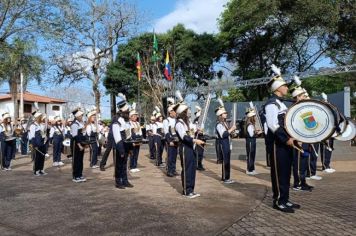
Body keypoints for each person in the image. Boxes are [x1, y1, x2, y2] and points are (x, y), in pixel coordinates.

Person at [264, 65, 300, 213]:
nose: (287, 88)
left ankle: (285, 199)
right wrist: (286, 139)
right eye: (285, 85)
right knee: (279, 173)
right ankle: (278, 201)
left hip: (286, 142)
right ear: (278, 88)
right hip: (278, 144)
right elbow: (273, 125)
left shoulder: (281, 104)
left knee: (286, 172)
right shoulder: (271, 104)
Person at [175, 101, 205, 198]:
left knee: (192, 169)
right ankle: (186, 191)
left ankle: (191, 189)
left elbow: (192, 130)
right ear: (183, 112)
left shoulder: (187, 122)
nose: (189, 112)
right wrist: (195, 140)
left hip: (191, 147)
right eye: (187, 110)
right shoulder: (179, 124)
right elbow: (184, 137)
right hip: (185, 148)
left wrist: (197, 130)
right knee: (187, 169)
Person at [290, 86, 313, 191]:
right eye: (303, 96)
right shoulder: (293, 109)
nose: (305, 97)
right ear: (298, 97)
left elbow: (311, 124)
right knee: (299, 163)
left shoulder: (303, 108)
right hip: (298, 140)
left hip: (305, 139)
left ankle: (303, 181)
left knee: (303, 162)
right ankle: (297, 183)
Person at [113, 97, 133, 189]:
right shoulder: (116, 120)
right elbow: (117, 137)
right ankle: (118, 181)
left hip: (126, 145)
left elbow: (129, 135)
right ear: (122, 111)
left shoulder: (126, 120)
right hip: (120, 146)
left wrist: (130, 148)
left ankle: (125, 180)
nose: (128, 112)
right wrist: (121, 150)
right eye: (127, 111)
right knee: (119, 164)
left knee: (125, 164)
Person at [215, 100, 236, 184]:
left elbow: (228, 133)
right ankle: (225, 178)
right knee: (225, 161)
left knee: (227, 161)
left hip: (227, 143)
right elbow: (223, 134)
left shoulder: (225, 123)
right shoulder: (219, 124)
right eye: (224, 113)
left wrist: (232, 133)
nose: (226, 114)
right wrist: (231, 129)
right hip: (223, 144)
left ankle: (227, 177)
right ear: (220, 115)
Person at [71, 108, 87, 183]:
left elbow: (83, 134)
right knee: (76, 160)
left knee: (80, 160)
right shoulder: (74, 124)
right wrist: (79, 145)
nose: (82, 117)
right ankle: (75, 176)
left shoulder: (81, 123)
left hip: (81, 143)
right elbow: (75, 136)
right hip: (76, 144)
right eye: (81, 116)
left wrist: (85, 143)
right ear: (77, 116)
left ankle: (80, 174)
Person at [29, 111, 47, 176]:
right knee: (37, 157)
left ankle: (41, 169)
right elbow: (32, 136)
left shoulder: (41, 125)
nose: (42, 118)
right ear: (38, 118)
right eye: (41, 117)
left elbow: (43, 134)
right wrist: (35, 145)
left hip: (42, 143)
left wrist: (45, 138)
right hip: (37, 144)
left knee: (42, 156)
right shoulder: (33, 126)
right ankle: (36, 170)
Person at [164, 103, 179, 177]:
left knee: (174, 156)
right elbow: (166, 132)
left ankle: (173, 169)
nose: (175, 113)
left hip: (176, 140)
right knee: (170, 156)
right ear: (170, 112)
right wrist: (169, 141)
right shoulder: (166, 120)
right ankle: (169, 171)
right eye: (174, 111)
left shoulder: (176, 120)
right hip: (170, 141)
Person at [245, 108, 261, 175]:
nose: (255, 117)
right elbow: (251, 135)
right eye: (254, 116)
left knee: (252, 155)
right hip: (250, 141)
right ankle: (249, 169)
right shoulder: (250, 124)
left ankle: (252, 169)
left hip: (252, 141)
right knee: (250, 155)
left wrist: (256, 132)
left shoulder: (251, 124)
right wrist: (257, 133)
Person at [129, 104, 143, 173]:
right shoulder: (129, 123)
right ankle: (131, 166)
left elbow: (140, 131)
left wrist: (141, 139)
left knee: (137, 153)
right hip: (132, 140)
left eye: (136, 116)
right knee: (132, 153)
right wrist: (132, 141)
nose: (135, 117)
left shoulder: (137, 123)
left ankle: (135, 166)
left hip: (138, 139)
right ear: (130, 117)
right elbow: (130, 133)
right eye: (134, 116)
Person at [193, 106, 206, 171]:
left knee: (201, 152)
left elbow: (202, 130)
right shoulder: (195, 122)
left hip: (201, 137)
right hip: (197, 137)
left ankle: (200, 164)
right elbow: (194, 130)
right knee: (198, 152)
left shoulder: (202, 122)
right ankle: (197, 165)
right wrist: (198, 130)